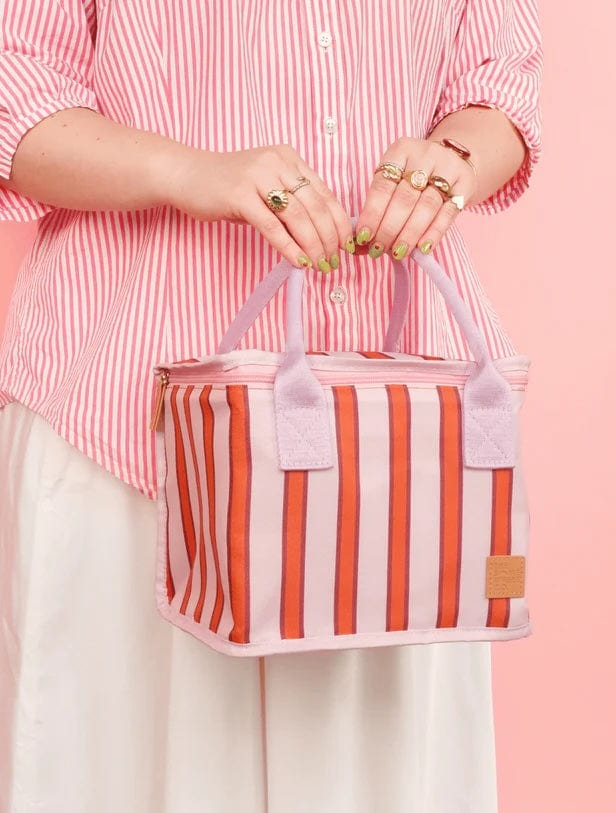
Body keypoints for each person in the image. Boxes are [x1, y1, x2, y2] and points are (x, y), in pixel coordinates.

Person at [0, 1, 542, 810]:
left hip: (391, 452)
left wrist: (448, 162)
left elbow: (498, 79)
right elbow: (18, 90)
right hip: (127, 423)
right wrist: (190, 170)